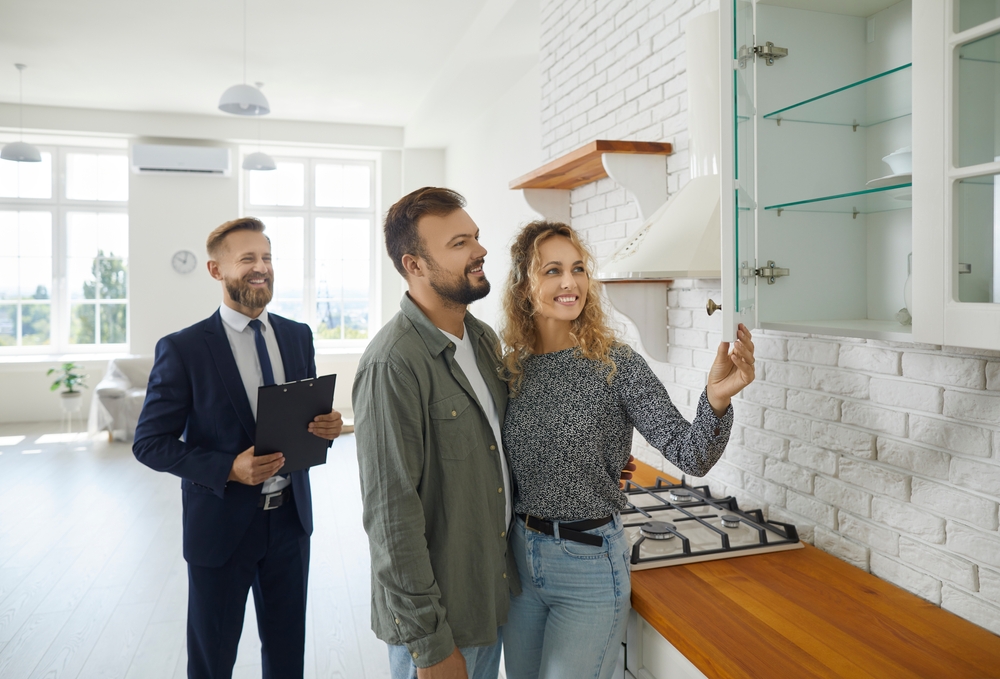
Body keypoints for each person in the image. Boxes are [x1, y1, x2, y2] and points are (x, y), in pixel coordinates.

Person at [499, 221, 755, 679]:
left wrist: (717, 398)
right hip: (520, 559)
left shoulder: (616, 363)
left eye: (577, 269)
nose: (569, 282)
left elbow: (690, 453)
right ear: (524, 286)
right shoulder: (513, 368)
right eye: (552, 270)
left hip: (588, 565)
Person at [133, 217, 343, 679]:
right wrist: (228, 467)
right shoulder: (183, 348)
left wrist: (326, 425)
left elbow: (300, 418)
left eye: (266, 258)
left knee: (288, 654)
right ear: (215, 270)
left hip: (291, 520)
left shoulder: (297, 335)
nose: (261, 268)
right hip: (222, 528)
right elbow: (149, 443)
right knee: (213, 659)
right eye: (247, 258)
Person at [353, 187, 515, 679]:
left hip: (488, 595)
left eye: (477, 238)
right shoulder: (392, 364)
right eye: (459, 243)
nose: (480, 251)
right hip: (440, 625)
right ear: (415, 265)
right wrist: (430, 644)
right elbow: (390, 519)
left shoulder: (482, 339)